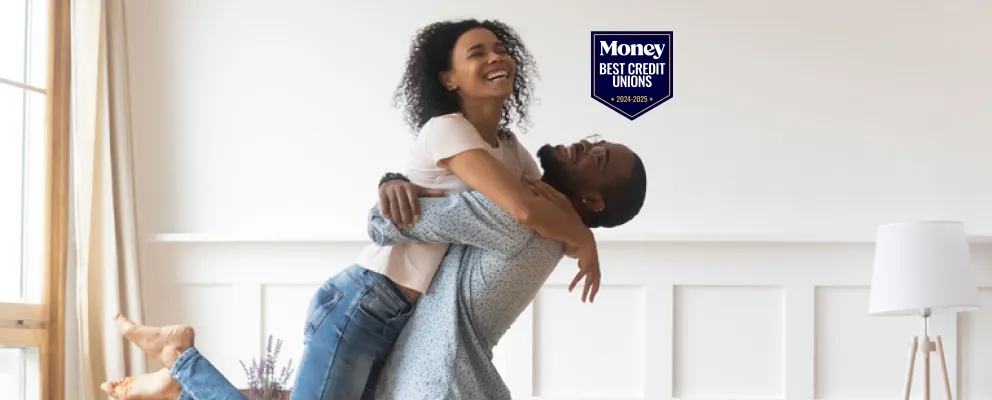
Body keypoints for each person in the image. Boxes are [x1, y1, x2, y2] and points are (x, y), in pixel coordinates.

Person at [99, 136, 648, 399]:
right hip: (395, 344)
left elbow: (388, 223)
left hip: (420, 372)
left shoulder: (525, 217)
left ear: (594, 202)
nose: (583, 144)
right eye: (596, 141)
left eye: (596, 158)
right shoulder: (541, 218)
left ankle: (179, 370)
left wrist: (393, 192)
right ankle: (179, 369)